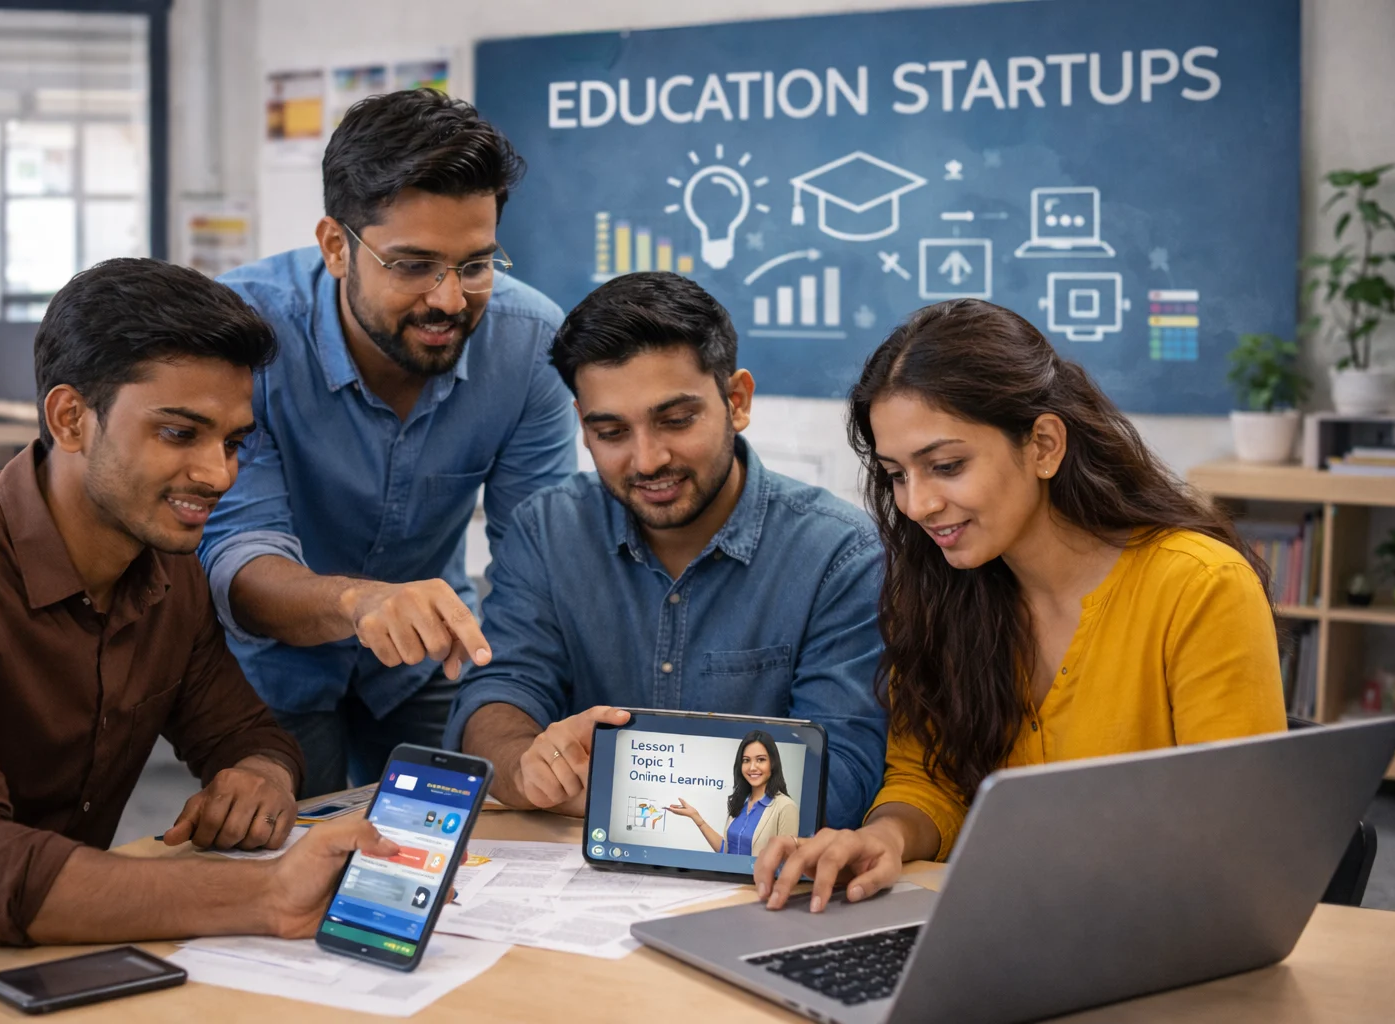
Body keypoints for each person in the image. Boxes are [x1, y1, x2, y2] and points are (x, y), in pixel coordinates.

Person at [0, 259, 403, 945]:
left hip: (49, 953)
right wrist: (265, 892)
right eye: (179, 433)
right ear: (70, 419)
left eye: (233, 442)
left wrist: (258, 777)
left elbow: (246, 734)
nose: (217, 475)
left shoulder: (166, 570)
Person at [755, 298, 1287, 913]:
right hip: (995, 923)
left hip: (1153, 933)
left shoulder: (1198, 585)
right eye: (897, 475)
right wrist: (885, 836)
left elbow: (1232, 837)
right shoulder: (942, 588)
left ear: (1043, 445)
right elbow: (929, 777)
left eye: (946, 466)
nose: (918, 504)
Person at [199, 89, 577, 797]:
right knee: (288, 860)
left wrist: (521, 711)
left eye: (475, 264)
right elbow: (238, 558)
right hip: (269, 660)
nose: (448, 299)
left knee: (482, 837)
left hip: (428, 657)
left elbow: (536, 560)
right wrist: (359, 604)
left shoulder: (530, 347)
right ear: (336, 246)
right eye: (412, 265)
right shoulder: (241, 335)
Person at [445, 272, 887, 828]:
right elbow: (498, 693)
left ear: (737, 400)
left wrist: (615, 786)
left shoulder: (840, 556)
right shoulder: (547, 530)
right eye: (612, 433)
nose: (648, 459)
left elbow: (841, 778)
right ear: (583, 427)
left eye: (676, 421)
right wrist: (525, 767)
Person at [667, 730, 800, 857]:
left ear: (773, 763)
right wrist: (697, 818)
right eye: (746, 760)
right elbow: (727, 851)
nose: (752, 767)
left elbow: (787, 862)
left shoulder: (785, 806)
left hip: (756, 881)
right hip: (728, 879)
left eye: (760, 759)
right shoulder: (741, 801)